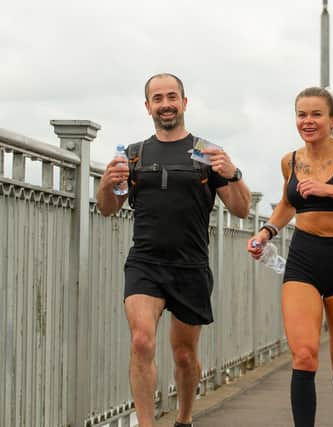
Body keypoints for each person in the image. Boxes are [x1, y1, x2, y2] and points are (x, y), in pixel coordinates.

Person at [96, 73, 250, 427]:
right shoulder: (134, 156)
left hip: (190, 265)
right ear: (148, 106)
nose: (165, 104)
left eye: (171, 97)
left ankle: (184, 418)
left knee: (183, 354)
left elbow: (241, 209)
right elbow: (107, 208)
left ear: (184, 102)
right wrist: (106, 185)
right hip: (145, 262)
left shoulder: (205, 153)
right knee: (141, 341)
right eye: (157, 98)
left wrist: (234, 173)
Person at [247, 83, 333, 427]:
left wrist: (329, 189)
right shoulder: (290, 161)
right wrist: (266, 233)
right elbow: (287, 204)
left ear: (332, 118)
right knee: (305, 355)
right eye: (301, 115)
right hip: (304, 260)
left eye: (316, 115)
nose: (307, 121)